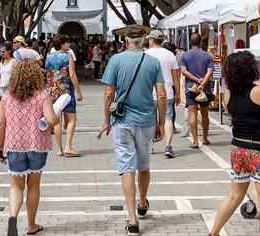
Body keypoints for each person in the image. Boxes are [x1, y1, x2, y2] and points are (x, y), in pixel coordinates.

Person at [209, 51, 260, 236]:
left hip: (238, 149)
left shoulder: (228, 94)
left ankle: (213, 232)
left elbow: (231, 111)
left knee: (234, 196)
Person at [97, 25, 166, 236]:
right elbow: (162, 95)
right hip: (146, 120)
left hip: (122, 120)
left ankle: (132, 219)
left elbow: (109, 94)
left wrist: (106, 120)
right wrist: (161, 122)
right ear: (144, 41)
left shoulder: (116, 60)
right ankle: (142, 202)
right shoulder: (153, 62)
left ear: (126, 41)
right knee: (143, 166)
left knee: (127, 167)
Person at [0, 60, 58, 236]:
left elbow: (1, 124)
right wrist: (56, 115)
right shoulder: (42, 95)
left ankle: (12, 218)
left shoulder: (7, 97)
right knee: (33, 186)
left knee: (16, 186)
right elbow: (51, 120)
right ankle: (31, 225)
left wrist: (1, 147)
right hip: (37, 145)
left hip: (14, 145)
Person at [45, 34, 83, 157]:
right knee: (72, 119)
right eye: (67, 43)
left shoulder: (49, 56)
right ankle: (68, 147)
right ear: (62, 44)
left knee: (57, 120)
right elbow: (72, 75)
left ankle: (59, 149)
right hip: (66, 90)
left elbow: (47, 73)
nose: (69, 45)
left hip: (52, 90)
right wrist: (78, 91)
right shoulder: (68, 56)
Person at [145, 30, 181, 158]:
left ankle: (150, 146)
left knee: (150, 120)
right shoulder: (170, 55)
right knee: (168, 119)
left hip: (149, 93)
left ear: (151, 40)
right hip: (167, 92)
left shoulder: (145, 54)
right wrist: (178, 93)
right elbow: (176, 77)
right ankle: (168, 146)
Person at [180, 34, 214, 148]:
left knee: (192, 114)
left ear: (190, 43)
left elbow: (184, 71)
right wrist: (203, 83)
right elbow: (210, 72)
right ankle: (204, 138)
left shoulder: (184, 56)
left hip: (190, 88)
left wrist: (195, 80)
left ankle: (195, 141)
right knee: (205, 114)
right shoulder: (207, 56)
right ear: (201, 43)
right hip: (205, 89)